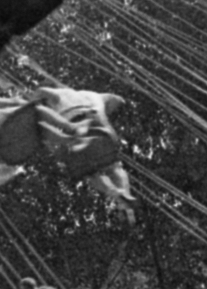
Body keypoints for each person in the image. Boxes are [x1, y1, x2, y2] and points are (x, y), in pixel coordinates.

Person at [0, 90, 90, 199]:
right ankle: (71, 129)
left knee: (39, 131)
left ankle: (69, 140)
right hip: (4, 127)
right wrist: (26, 103)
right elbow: (12, 101)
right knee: (38, 112)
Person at [31, 87, 136, 221]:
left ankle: (114, 193)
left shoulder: (59, 95)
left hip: (77, 123)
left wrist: (32, 100)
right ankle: (125, 194)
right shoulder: (95, 94)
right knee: (114, 167)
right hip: (103, 130)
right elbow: (118, 99)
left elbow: (43, 90)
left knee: (90, 174)